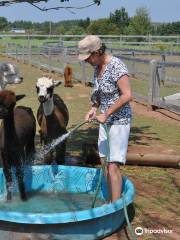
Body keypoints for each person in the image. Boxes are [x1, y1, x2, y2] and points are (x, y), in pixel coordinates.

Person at [78, 35, 132, 202]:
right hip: (105, 120)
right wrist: (94, 108)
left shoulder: (116, 66)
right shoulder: (98, 67)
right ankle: (110, 199)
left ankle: (115, 206)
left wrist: (107, 113)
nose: (87, 61)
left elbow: (127, 95)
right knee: (104, 162)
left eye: (88, 58)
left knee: (112, 165)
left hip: (118, 121)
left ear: (97, 52)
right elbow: (100, 93)